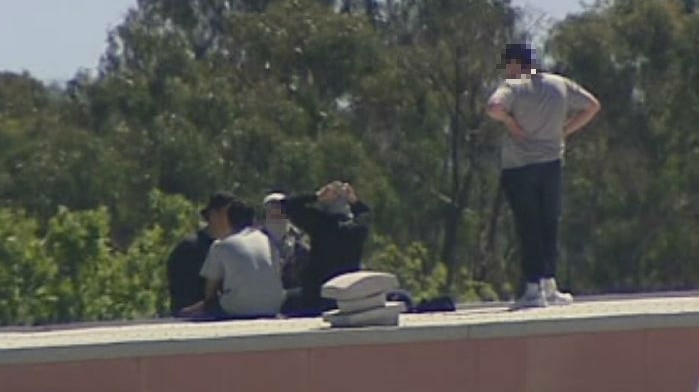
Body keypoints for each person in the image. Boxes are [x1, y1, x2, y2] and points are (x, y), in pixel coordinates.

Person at [486, 43, 601, 308]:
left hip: (519, 167)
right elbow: (592, 106)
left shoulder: (513, 86)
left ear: (516, 63)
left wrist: (511, 124)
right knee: (550, 224)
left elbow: (494, 107)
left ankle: (532, 288)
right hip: (552, 164)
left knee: (528, 227)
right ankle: (550, 284)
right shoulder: (559, 84)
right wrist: (565, 130)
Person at [180, 197, 285, 319]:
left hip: (239, 307)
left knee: (205, 307)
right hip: (274, 305)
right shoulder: (268, 241)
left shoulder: (221, 245)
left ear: (229, 221)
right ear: (253, 220)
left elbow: (210, 292)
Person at [280, 181, 371, 317]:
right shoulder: (357, 229)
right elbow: (366, 214)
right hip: (346, 294)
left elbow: (288, 205)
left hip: (317, 292)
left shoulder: (320, 224)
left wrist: (316, 196)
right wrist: (354, 200)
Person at [166, 191, 234, 316]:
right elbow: (182, 296)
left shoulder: (232, 248)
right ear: (214, 215)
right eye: (230, 214)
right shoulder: (189, 249)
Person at [260, 192, 310, 290]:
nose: (276, 211)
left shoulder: (300, 237)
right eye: (272, 207)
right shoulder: (256, 237)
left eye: (280, 207)